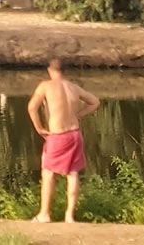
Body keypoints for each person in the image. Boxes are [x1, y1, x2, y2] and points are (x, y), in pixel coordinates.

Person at [27, 58, 100, 223]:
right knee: (72, 173)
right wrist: (78, 115)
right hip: (74, 134)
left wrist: (39, 128)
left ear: (49, 71)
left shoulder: (45, 86)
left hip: (58, 135)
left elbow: (32, 107)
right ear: (64, 71)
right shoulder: (73, 87)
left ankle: (44, 214)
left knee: (48, 172)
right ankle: (69, 216)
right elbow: (95, 102)